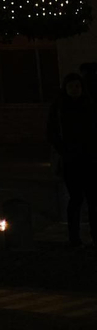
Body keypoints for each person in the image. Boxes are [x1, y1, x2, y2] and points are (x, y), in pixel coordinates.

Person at [47, 71, 94, 248]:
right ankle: (74, 238)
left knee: (92, 200)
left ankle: (93, 236)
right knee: (76, 199)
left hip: (90, 159)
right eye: (71, 86)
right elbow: (51, 133)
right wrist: (65, 151)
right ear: (65, 88)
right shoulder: (59, 108)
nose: (75, 89)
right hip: (71, 160)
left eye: (77, 86)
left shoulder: (89, 105)